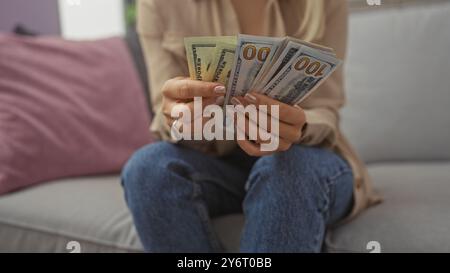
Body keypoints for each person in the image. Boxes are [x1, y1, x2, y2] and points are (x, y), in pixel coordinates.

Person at [122, 0, 380, 253]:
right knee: (147, 168)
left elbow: (326, 108)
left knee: (285, 168)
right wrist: (177, 117)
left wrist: (299, 126)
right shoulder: (158, 3)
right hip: (218, 163)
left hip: (305, 158)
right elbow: (165, 109)